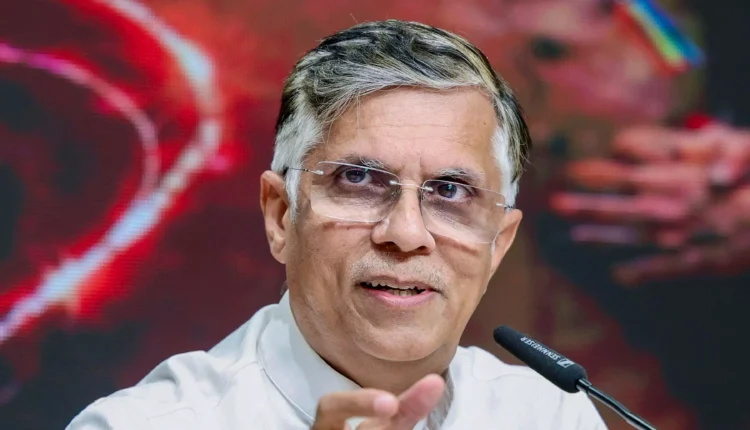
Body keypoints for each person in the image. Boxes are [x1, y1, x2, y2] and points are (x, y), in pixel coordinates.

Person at [66, 20, 607, 429]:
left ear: (498, 244)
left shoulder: (552, 415)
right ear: (281, 215)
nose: (406, 233)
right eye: (359, 179)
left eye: (449, 191)